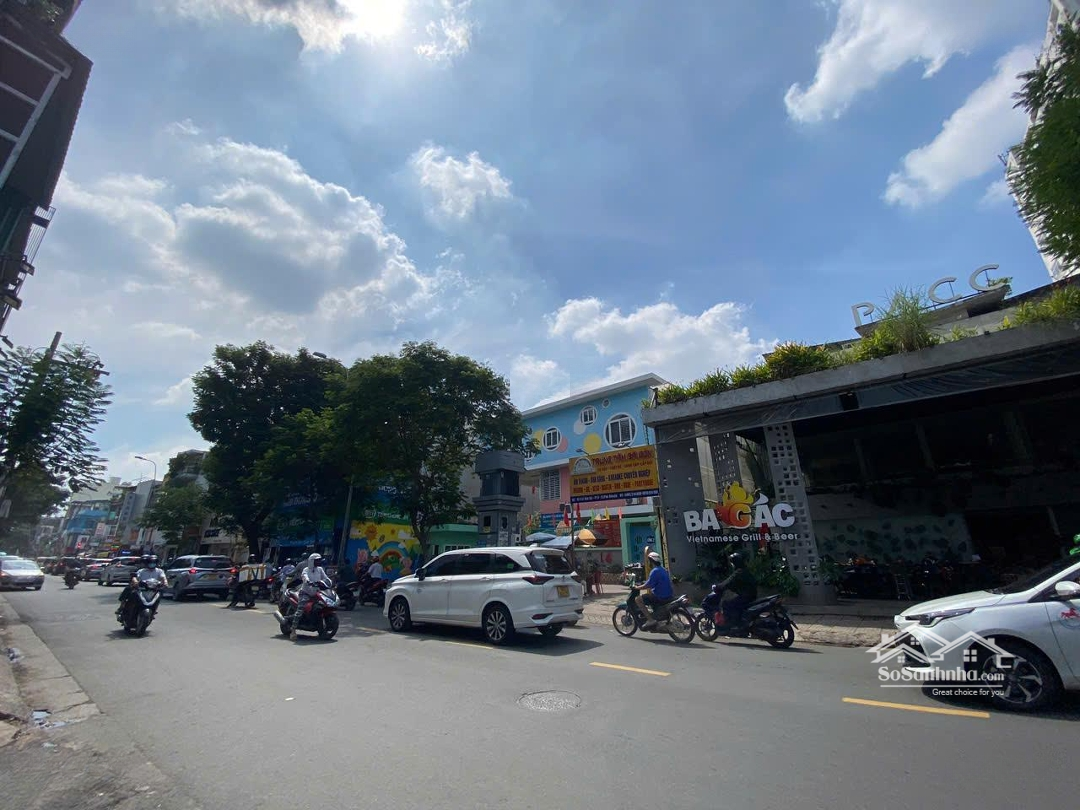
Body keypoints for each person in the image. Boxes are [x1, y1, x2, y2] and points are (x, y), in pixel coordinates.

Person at [291, 553, 330, 640]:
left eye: (319, 560)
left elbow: (325, 578)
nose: (319, 562)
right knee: (300, 610)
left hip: (317, 593)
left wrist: (328, 582)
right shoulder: (306, 569)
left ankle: (321, 631)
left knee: (320, 609)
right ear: (312, 561)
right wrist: (308, 581)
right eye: (317, 560)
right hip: (305, 593)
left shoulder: (320, 569)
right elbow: (304, 576)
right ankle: (293, 630)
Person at [116, 555, 168, 620]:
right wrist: (135, 582)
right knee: (128, 590)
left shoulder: (159, 571)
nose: (152, 564)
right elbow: (135, 577)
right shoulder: (142, 571)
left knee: (160, 594)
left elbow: (163, 578)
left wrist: (165, 583)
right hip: (141, 588)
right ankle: (121, 607)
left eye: (154, 563)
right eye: (150, 562)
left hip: (153, 589)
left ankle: (154, 610)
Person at [717, 551, 758, 629]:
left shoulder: (739, 572)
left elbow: (728, 582)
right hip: (750, 595)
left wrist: (718, 587)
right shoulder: (744, 570)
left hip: (746, 596)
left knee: (726, 604)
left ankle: (734, 624)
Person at [637, 551, 674, 630]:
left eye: (648, 561)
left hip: (659, 596)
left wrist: (637, 587)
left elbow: (648, 585)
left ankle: (650, 620)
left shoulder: (655, 571)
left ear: (651, 561)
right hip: (668, 595)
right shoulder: (663, 569)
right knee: (650, 595)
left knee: (638, 599)